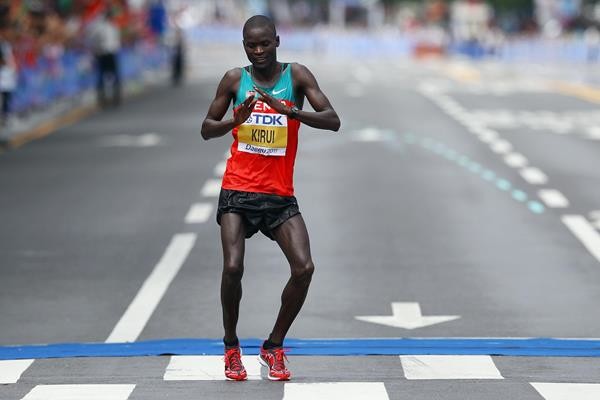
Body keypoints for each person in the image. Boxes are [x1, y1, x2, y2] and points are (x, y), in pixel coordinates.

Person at [201, 15, 340, 381]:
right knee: (233, 267)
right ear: (244, 46)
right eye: (251, 45)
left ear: (277, 41)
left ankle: (273, 345)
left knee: (304, 268)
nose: (259, 51)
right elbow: (206, 129)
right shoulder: (235, 79)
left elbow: (333, 119)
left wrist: (290, 111)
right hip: (238, 190)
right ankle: (231, 347)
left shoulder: (297, 76)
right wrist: (234, 121)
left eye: (265, 43)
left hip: (278, 195)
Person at [88, 8, 121, 108]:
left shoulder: (114, 26)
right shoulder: (99, 27)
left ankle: (116, 96)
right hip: (102, 54)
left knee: (114, 75)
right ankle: (102, 98)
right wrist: (97, 49)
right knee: (101, 76)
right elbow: (93, 39)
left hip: (111, 53)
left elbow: (116, 40)